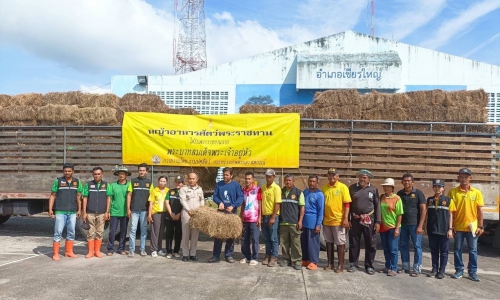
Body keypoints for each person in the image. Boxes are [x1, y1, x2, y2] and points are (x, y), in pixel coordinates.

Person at [448, 168, 484, 282]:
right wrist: (450, 227)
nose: (464, 179)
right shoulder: (453, 192)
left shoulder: (476, 192)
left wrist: (480, 226)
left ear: (470, 178)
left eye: (466, 177)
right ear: (458, 178)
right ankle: (459, 270)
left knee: (473, 250)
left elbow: (480, 211)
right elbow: (451, 212)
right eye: (461, 177)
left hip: (472, 227)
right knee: (457, 249)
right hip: (458, 227)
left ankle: (472, 272)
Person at [348, 169, 380, 275]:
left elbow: (377, 206)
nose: (362, 179)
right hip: (355, 219)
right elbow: (348, 205)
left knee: (370, 243)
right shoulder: (352, 188)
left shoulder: (373, 189)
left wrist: (378, 222)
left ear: (369, 179)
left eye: (365, 177)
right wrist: (348, 219)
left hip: (369, 220)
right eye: (361, 177)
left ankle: (369, 266)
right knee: (354, 242)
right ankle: (353, 264)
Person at [48, 163, 83, 261]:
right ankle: (55, 253)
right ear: (63, 172)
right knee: (58, 232)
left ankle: (69, 252)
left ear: (73, 171)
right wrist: (51, 209)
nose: (67, 173)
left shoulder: (77, 182)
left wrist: (79, 210)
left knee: (71, 232)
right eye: (65, 171)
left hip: (72, 212)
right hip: (60, 211)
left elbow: (79, 197)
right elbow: (52, 195)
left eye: (69, 171)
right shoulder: (58, 181)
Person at [209, 167, 244, 263]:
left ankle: (228, 255)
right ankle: (216, 255)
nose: (225, 176)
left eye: (227, 175)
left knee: (230, 235)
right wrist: (219, 202)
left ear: (231, 175)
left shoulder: (236, 185)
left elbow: (241, 197)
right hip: (221, 214)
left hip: (231, 214)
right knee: (218, 235)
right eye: (224, 175)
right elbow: (215, 196)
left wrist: (233, 206)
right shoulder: (219, 185)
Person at [321, 168, 351, 273]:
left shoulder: (343, 188)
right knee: (328, 242)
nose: (331, 177)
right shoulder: (324, 188)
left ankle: (340, 265)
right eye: (329, 175)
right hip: (327, 220)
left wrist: (346, 218)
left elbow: (347, 204)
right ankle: (330, 263)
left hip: (338, 221)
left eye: (334, 175)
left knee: (340, 243)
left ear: (337, 176)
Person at [397, 173, 427, 276]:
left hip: (415, 225)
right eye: (405, 180)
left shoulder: (418, 193)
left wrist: (420, 226)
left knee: (417, 246)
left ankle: (417, 268)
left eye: (409, 180)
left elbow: (423, 210)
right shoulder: (399, 193)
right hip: (403, 224)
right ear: (402, 182)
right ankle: (405, 266)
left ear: (412, 182)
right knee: (403, 245)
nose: (407, 182)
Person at [426, 179, 455, 279]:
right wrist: (426, 227)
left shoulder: (448, 200)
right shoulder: (429, 200)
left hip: (444, 230)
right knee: (434, 251)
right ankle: (434, 269)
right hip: (432, 229)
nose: (437, 188)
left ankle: (441, 271)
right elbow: (427, 215)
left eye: (439, 186)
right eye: (435, 186)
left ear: (443, 188)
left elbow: (451, 215)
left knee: (444, 251)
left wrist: (450, 229)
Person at [82, 167, 112, 258]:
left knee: (100, 232)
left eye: (99, 174)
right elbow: (85, 198)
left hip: (102, 213)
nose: (97, 175)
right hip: (90, 212)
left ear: (102, 174)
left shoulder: (107, 185)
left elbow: (109, 198)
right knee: (90, 233)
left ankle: (97, 251)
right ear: (92, 175)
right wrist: (84, 212)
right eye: (95, 174)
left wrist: (107, 212)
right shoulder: (88, 185)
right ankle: (90, 252)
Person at [127, 163, 154, 258]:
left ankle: (142, 250)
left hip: (144, 210)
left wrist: (150, 212)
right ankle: (131, 250)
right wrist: (128, 209)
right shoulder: (133, 181)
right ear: (138, 171)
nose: (141, 172)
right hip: (134, 210)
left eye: (143, 170)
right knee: (133, 230)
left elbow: (152, 197)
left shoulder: (149, 182)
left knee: (143, 231)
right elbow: (129, 195)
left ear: (146, 171)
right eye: (140, 170)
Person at [279, 174, 305, 270]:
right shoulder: (280, 191)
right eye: (286, 180)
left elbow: (302, 207)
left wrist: (300, 220)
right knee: (284, 243)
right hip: (283, 222)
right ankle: (286, 259)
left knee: (296, 243)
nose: (288, 182)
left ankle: (297, 261)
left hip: (294, 223)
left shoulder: (298, 192)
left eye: (290, 180)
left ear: (293, 182)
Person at [379, 178, 403, 277]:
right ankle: (388, 266)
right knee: (386, 248)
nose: (386, 188)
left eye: (388, 186)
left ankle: (394, 268)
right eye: (384, 186)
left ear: (392, 187)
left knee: (393, 249)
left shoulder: (397, 198)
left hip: (393, 227)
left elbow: (399, 214)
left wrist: (397, 228)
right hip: (383, 227)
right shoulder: (382, 197)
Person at [179, 172, 204, 262]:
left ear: (197, 179)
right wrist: (188, 210)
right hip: (187, 213)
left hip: (196, 214)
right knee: (185, 235)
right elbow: (183, 200)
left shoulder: (200, 189)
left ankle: (193, 254)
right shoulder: (184, 188)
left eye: (193, 178)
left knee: (195, 235)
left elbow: (202, 200)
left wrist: (200, 210)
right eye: (190, 178)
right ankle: (185, 254)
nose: (191, 180)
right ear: (188, 179)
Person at [301, 175, 324, 270]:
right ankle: (305, 259)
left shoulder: (319, 194)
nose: (311, 183)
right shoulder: (305, 192)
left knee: (313, 243)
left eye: (314, 181)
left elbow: (321, 210)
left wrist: (318, 224)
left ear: (317, 183)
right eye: (310, 181)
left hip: (313, 222)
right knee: (304, 242)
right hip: (304, 222)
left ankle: (313, 261)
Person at [107, 165, 131, 256]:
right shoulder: (113, 185)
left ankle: (121, 248)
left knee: (124, 232)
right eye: (120, 173)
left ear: (126, 175)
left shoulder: (129, 185)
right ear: (118, 174)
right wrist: (108, 211)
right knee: (112, 231)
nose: (121, 175)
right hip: (114, 212)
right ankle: (110, 248)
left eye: (123, 174)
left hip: (125, 212)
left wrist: (129, 210)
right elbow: (110, 199)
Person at [260, 169, 282, 267]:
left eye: (270, 176)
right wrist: (260, 216)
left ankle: (274, 257)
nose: (268, 178)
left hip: (273, 216)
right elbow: (260, 202)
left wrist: (273, 217)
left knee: (274, 238)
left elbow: (277, 203)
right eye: (267, 176)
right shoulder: (263, 187)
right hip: (264, 216)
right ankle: (267, 255)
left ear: (274, 177)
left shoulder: (276, 188)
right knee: (266, 238)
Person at [240, 171, 262, 266]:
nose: (247, 180)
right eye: (246, 178)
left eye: (249, 178)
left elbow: (260, 204)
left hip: (254, 219)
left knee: (255, 239)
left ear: (253, 179)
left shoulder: (258, 190)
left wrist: (260, 218)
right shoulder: (243, 190)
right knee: (245, 239)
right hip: (245, 219)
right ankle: (247, 256)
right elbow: (243, 204)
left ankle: (255, 258)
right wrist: (241, 216)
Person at [148, 176, 169, 257]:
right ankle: (153, 250)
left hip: (165, 213)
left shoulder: (168, 191)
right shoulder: (154, 191)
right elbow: (151, 204)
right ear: (158, 181)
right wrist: (149, 215)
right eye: (160, 181)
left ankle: (159, 249)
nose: (162, 183)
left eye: (164, 181)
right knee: (155, 232)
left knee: (161, 232)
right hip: (156, 213)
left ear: (166, 182)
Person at [165, 175, 184, 259]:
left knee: (178, 234)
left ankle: (176, 251)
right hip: (170, 217)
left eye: (179, 182)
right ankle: (169, 251)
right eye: (176, 182)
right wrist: (171, 214)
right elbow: (166, 203)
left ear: (183, 183)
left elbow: (186, 205)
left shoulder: (185, 192)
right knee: (169, 234)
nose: (177, 184)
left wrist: (179, 214)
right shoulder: (170, 191)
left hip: (180, 217)